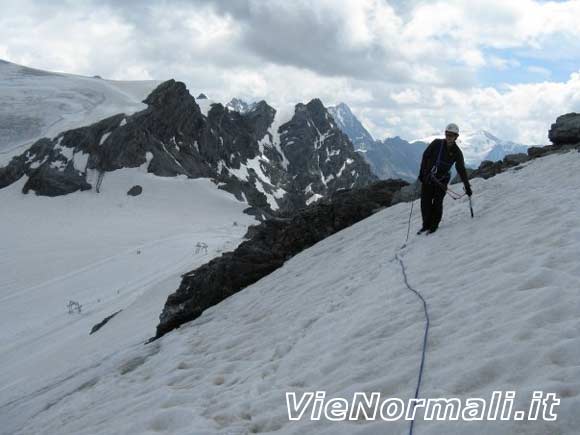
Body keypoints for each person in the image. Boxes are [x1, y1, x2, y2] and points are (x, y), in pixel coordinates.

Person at [417, 123, 472, 234]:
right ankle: (426, 225)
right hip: (429, 178)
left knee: (437, 203)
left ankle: (433, 226)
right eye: (447, 134)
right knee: (425, 203)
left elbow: (461, 169)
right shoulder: (437, 143)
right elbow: (425, 156)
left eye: (451, 135)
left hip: (441, 181)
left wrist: (467, 186)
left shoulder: (457, 152)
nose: (449, 137)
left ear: (456, 137)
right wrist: (422, 174)